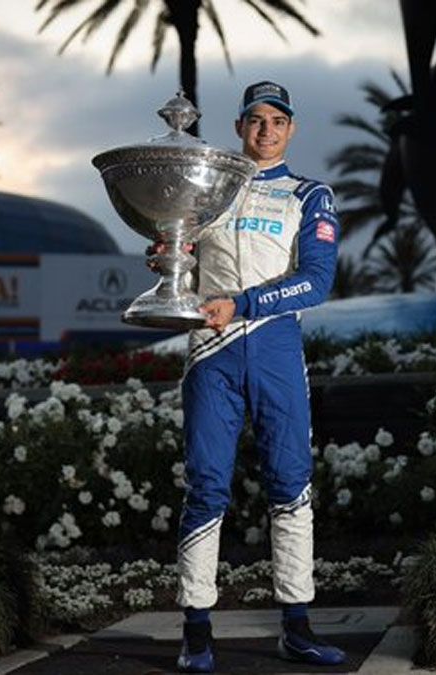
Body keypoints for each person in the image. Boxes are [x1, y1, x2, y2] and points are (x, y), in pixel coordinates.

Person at [164, 81, 344, 673]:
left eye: (277, 121)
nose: (265, 130)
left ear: (291, 129)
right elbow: (183, 272)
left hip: (274, 348)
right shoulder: (207, 192)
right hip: (210, 353)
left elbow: (316, 281)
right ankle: (195, 631)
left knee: (291, 485)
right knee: (206, 485)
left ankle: (296, 626)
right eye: (255, 120)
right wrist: (168, 263)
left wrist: (240, 305)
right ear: (239, 126)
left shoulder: (310, 195)